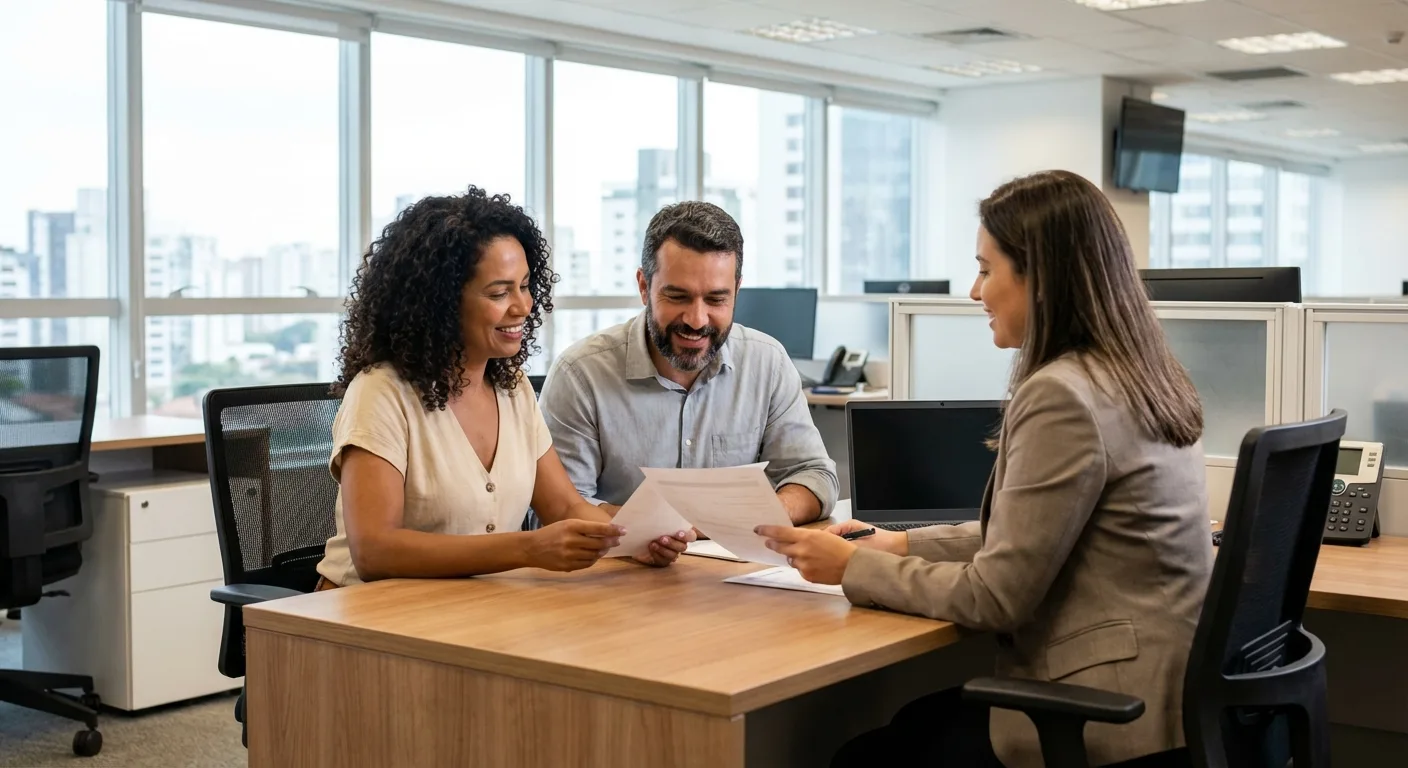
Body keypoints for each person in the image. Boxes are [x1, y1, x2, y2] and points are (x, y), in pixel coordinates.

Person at [757, 171, 1213, 768]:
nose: (975, 292)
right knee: (912, 724)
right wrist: (896, 544)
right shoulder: (1139, 372)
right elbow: (1037, 535)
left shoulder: (1065, 396)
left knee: (866, 756)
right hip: (1170, 692)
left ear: (1040, 279)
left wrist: (855, 568)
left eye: (985, 269)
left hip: (1106, 709)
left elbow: (996, 599)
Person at [315, 187, 693, 589]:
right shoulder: (381, 393)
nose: (523, 306)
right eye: (499, 292)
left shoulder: (512, 390)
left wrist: (633, 540)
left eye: (525, 286)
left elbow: (565, 506)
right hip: (362, 623)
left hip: (472, 613)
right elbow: (375, 551)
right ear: (440, 303)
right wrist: (527, 549)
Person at [538, 201, 838, 525]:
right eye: (678, 297)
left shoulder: (768, 363)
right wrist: (657, 529)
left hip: (738, 569)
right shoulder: (581, 375)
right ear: (643, 287)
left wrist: (749, 520)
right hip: (618, 570)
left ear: (737, 291)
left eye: (716, 299)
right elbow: (559, 510)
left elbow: (814, 475)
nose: (696, 320)